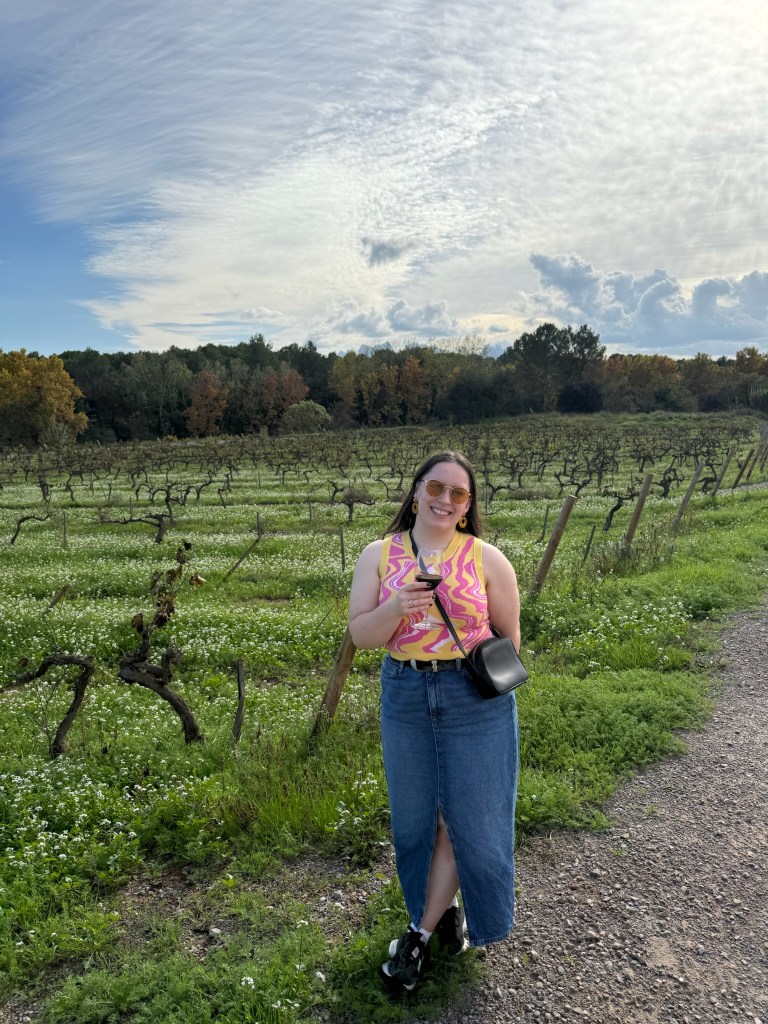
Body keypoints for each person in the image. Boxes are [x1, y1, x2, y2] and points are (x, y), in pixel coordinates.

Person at [348, 450, 521, 993]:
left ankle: (418, 937)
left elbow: (510, 641)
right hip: (405, 692)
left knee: (468, 820)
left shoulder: (488, 559)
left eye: (458, 493)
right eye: (436, 488)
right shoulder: (378, 554)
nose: (445, 500)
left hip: (473, 700)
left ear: (468, 506)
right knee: (417, 821)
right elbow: (361, 635)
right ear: (416, 490)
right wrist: (396, 608)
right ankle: (443, 914)